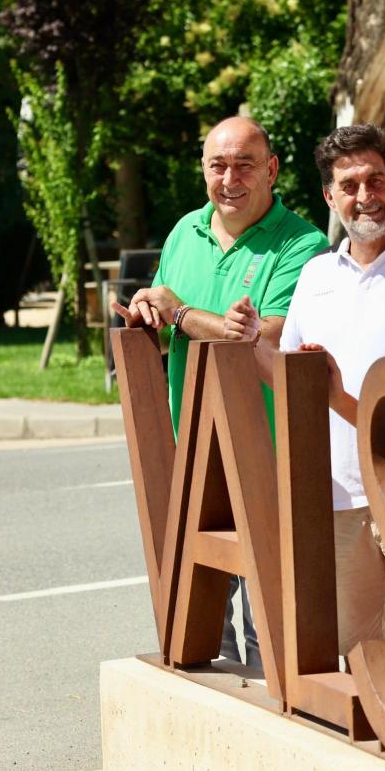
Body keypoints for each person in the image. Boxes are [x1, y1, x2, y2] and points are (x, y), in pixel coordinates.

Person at [224, 122, 385, 658]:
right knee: (362, 660)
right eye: (348, 186)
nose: (364, 197)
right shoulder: (317, 274)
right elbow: (291, 381)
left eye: (375, 181)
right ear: (329, 196)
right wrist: (250, 339)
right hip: (340, 498)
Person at [114, 116, 327, 669]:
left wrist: (179, 311)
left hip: (267, 453)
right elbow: (168, 314)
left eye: (244, 165)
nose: (229, 178)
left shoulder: (303, 244)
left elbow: (267, 339)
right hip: (192, 447)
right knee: (200, 630)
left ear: (273, 170)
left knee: (270, 636)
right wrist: (148, 313)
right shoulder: (185, 230)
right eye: (217, 165)